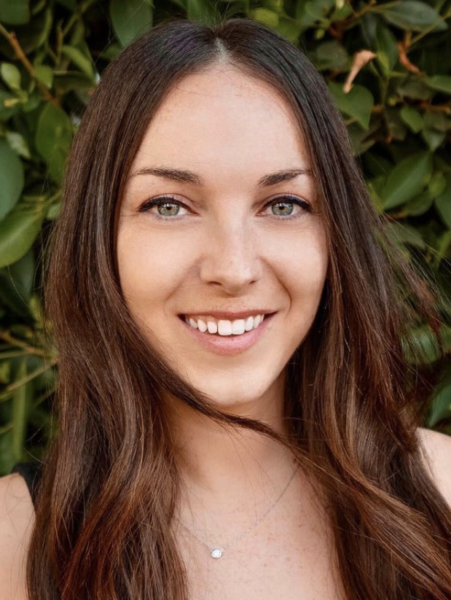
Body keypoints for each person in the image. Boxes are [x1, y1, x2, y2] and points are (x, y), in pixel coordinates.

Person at [1, 16, 451, 600]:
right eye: (169, 205)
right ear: (99, 238)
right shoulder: (14, 542)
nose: (234, 269)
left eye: (284, 204)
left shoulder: (441, 497)